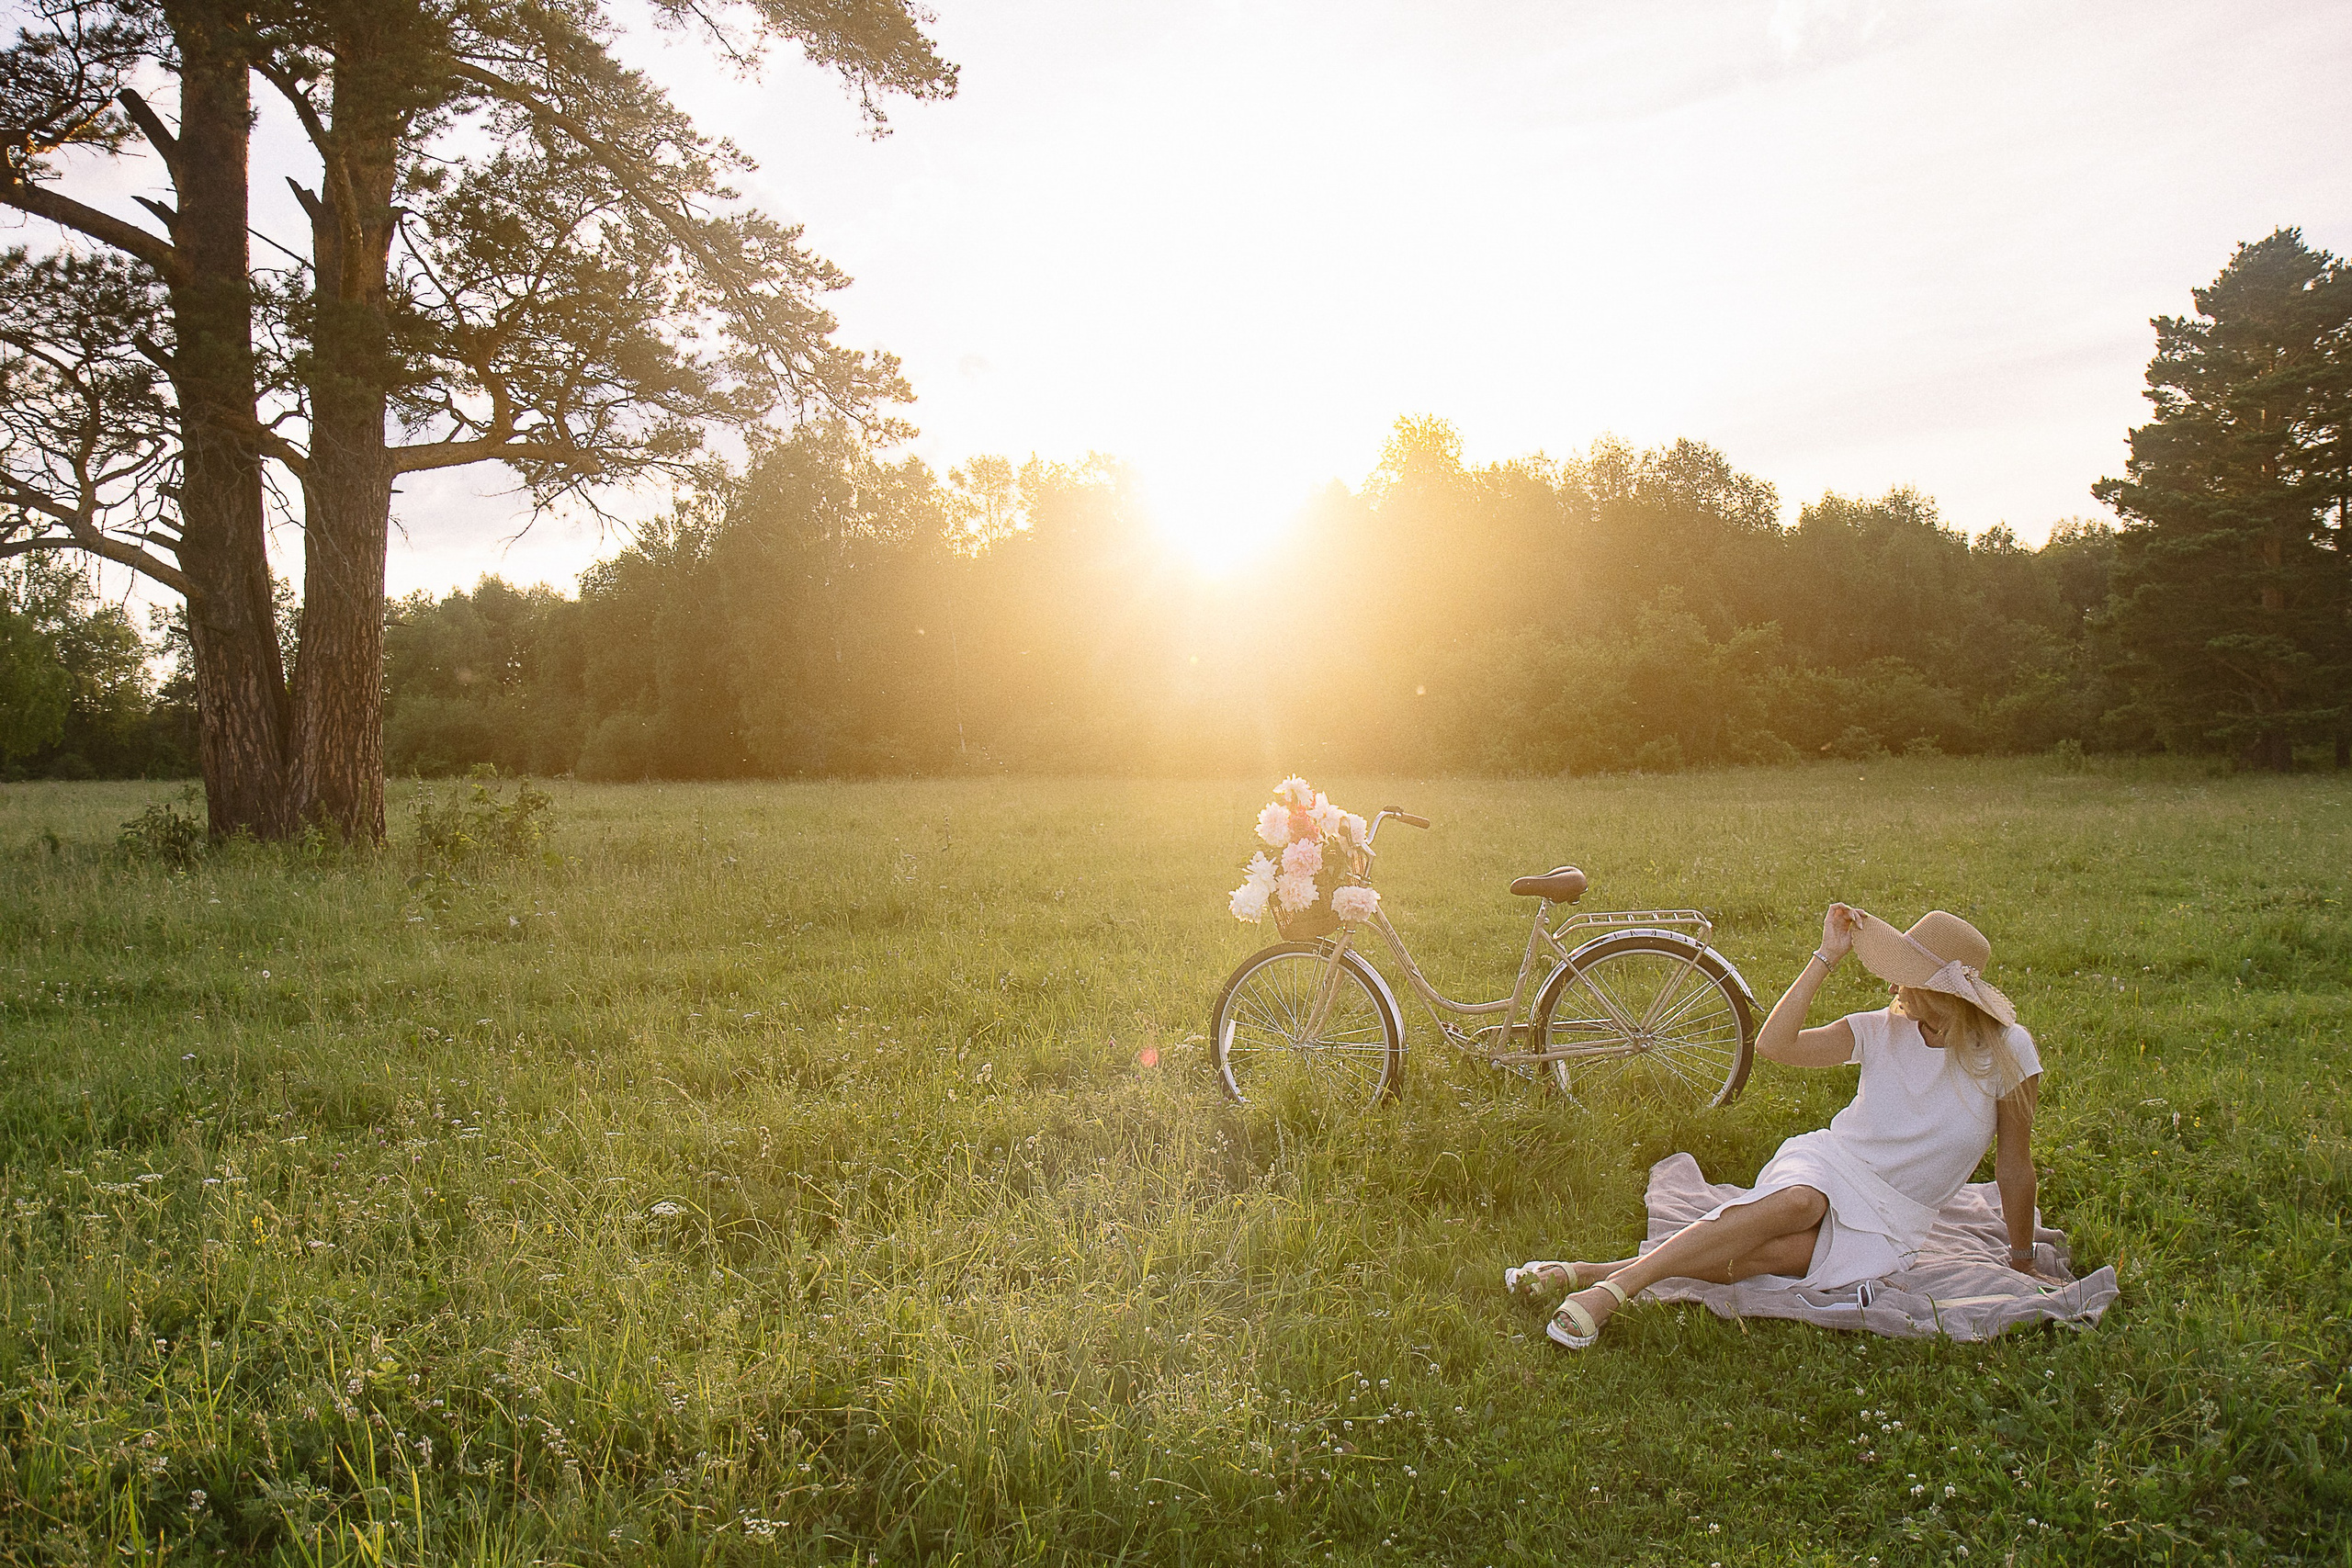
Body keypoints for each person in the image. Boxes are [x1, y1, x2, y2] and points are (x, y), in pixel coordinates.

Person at [1510, 903, 2055, 1349]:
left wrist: (2022, 1259)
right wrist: (1825, 957)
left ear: (1944, 991)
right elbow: (1775, 1046)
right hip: (1834, 1164)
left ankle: (1588, 1270)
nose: (1894, 984)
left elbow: (2014, 1167)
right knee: (1800, 1205)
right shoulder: (1878, 1029)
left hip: (1898, 1218)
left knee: (1761, 1259)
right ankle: (1614, 1292)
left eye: (1908, 975)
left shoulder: (2010, 1052)